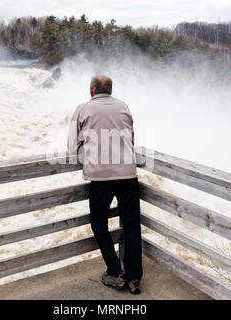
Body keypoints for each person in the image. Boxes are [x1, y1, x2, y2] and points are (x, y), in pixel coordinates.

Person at [67, 75, 143, 294]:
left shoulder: (83, 109)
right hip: (128, 174)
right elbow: (131, 140)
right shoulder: (124, 107)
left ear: (91, 91)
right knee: (131, 224)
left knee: (99, 223)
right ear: (110, 90)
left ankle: (114, 272)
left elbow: (72, 147)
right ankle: (134, 277)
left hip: (101, 177)